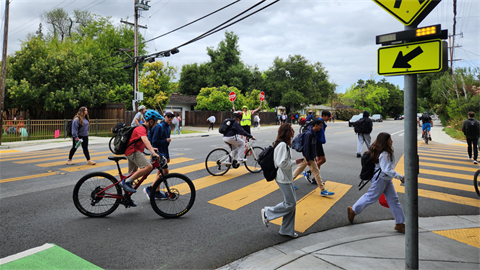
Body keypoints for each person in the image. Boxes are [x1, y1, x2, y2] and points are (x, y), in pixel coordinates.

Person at [347, 132, 406, 233]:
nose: (392, 141)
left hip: (386, 179)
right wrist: (400, 177)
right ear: (385, 142)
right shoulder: (384, 154)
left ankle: (400, 224)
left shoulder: (386, 152)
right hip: (380, 179)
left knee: (394, 200)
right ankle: (353, 210)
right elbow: (386, 169)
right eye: (389, 140)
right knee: (371, 197)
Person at [261, 123, 304, 238]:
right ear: (287, 132)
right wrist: (296, 162)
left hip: (286, 177)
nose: (294, 132)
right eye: (292, 130)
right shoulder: (282, 145)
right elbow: (281, 163)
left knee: (291, 204)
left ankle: (286, 230)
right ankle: (268, 212)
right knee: (291, 203)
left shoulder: (283, 144)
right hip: (283, 178)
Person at [119, 110, 162, 205]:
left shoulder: (145, 129)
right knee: (148, 167)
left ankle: (126, 198)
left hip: (133, 151)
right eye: (156, 121)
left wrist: (152, 148)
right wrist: (153, 153)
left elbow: (142, 142)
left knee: (132, 174)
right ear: (151, 121)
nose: (156, 123)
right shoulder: (141, 128)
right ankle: (125, 183)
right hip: (133, 152)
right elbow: (145, 140)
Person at [292, 119, 334, 196]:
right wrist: (308, 159)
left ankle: (289, 182)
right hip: (309, 157)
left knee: (300, 168)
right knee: (316, 172)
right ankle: (323, 190)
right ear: (316, 125)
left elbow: (313, 146)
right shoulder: (309, 134)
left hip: (310, 156)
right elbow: (306, 148)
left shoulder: (313, 133)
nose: (321, 128)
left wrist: (313, 156)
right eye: (320, 126)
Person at [144, 110, 174, 199]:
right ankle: (150, 188)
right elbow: (154, 141)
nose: (170, 118)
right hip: (157, 153)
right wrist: (165, 140)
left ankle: (156, 192)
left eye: (171, 117)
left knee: (159, 172)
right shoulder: (159, 127)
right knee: (165, 171)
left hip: (163, 153)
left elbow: (166, 145)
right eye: (168, 116)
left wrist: (167, 156)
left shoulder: (168, 127)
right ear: (164, 117)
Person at [303, 110, 332, 185]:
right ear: (324, 116)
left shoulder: (322, 122)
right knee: (323, 160)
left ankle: (315, 179)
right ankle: (308, 172)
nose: (329, 118)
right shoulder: (319, 122)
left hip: (318, 143)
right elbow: (314, 132)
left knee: (318, 161)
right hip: (317, 143)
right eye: (328, 117)